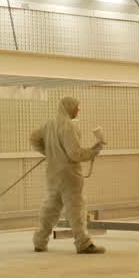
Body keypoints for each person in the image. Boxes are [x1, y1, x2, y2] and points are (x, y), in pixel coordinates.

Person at [30, 96, 106, 254]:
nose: (78, 110)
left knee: (50, 208)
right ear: (69, 108)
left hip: (53, 174)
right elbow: (74, 154)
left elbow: (33, 138)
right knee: (76, 209)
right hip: (69, 175)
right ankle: (83, 243)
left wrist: (50, 153)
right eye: (77, 107)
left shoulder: (49, 124)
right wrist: (94, 151)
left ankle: (39, 241)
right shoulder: (69, 126)